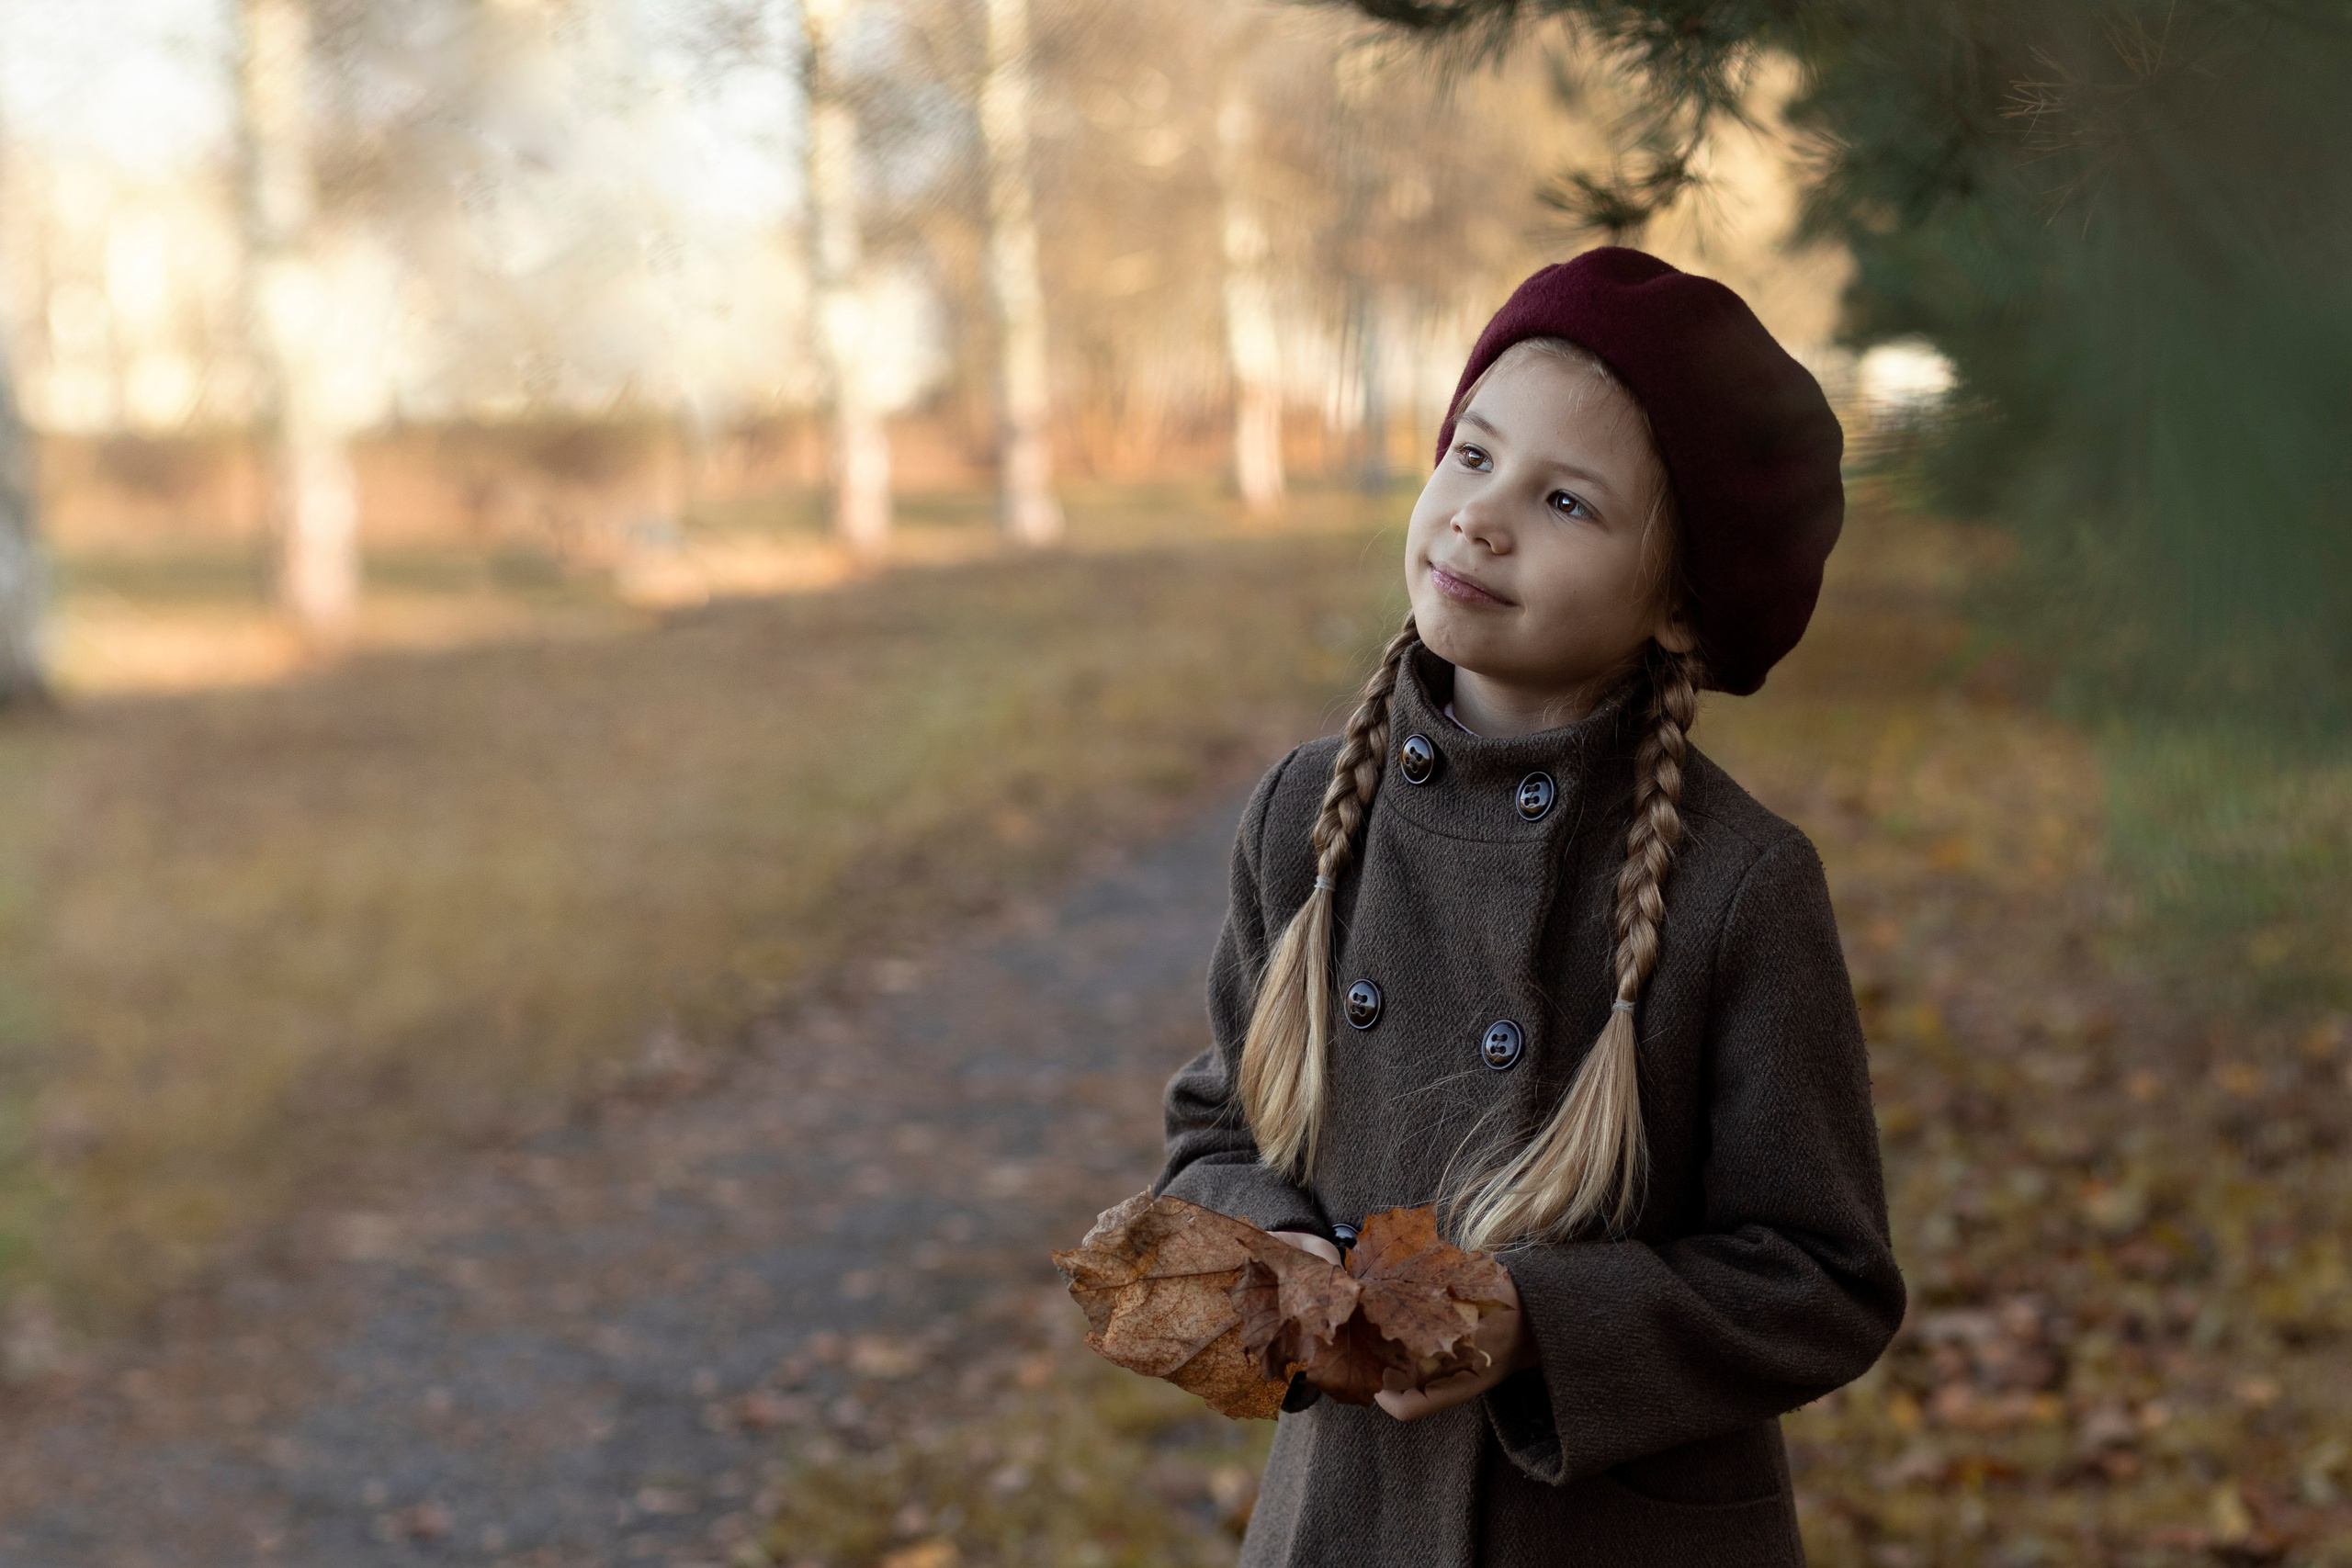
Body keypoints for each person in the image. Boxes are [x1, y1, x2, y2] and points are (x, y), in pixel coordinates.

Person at [1153, 247, 1905, 1566]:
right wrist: (1274, 1255)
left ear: (1681, 600)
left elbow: (1822, 1277)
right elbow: (1216, 1132)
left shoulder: (1738, 886)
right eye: (1473, 455)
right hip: (1343, 1520)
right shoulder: (1308, 817)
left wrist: (1541, 1322)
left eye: (1565, 499)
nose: (1482, 517)